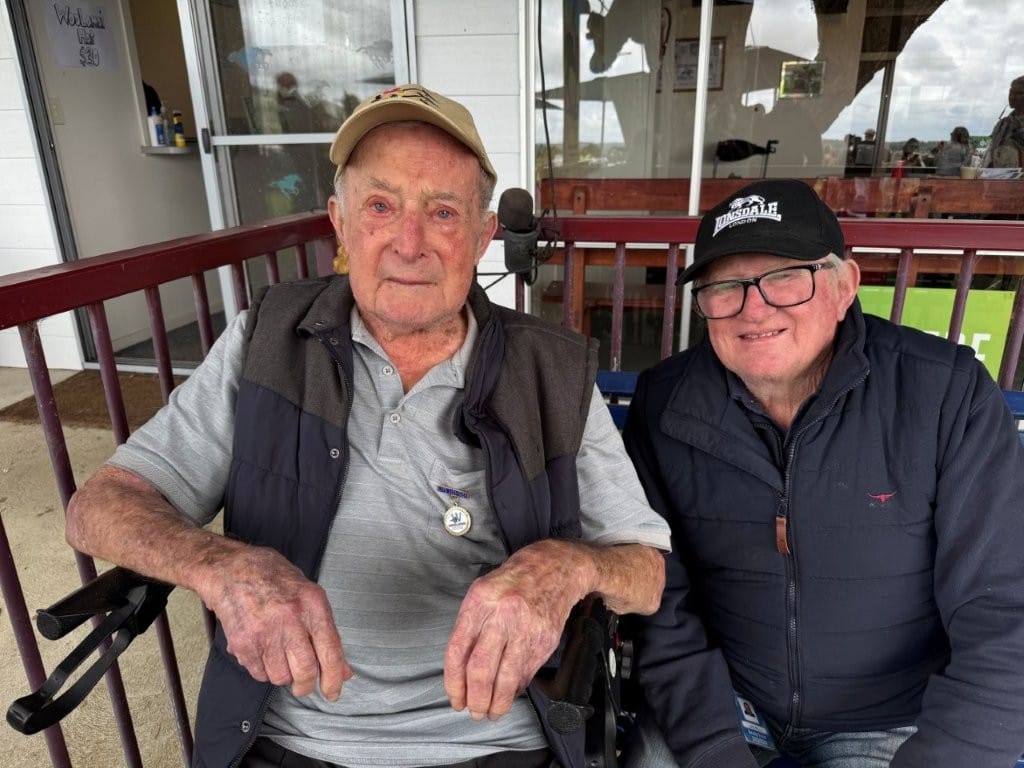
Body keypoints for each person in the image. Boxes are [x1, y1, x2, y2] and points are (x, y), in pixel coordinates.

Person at [64, 84, 670, 768]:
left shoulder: (550, 370)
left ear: (482, 235)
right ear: (341, 223)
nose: (408, 244)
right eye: (381, 206)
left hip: (494, 746)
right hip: (286, 741)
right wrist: (218, 564)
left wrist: (566, 567)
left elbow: (645, 574)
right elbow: (99, 507)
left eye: (442, 212)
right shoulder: (267, 340)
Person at [620, 178, 1024, 768]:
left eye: (785, 277)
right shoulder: (666, 404)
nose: (754, 308)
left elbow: (1003, 611)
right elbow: (662, 599)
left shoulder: (944, 393)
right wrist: (714, 747)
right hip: (724, 703)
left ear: (844, 287)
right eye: (725, 286)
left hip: (891, 720)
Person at [985, 75, 1024, 168]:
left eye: (1018, 93)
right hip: (1000, 178)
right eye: (1011, 92)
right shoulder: (1003, 123)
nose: (1012, 96)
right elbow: (991, 151)